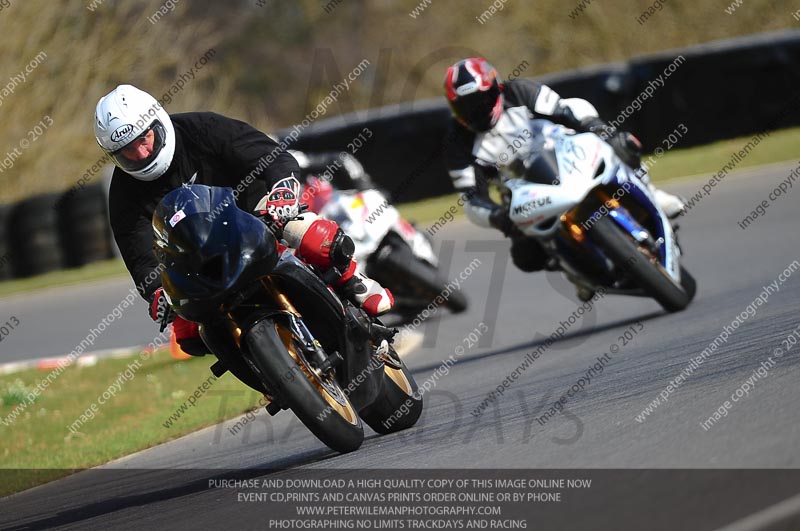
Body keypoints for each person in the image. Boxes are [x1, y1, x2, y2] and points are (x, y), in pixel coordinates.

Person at [94, 84, 394, 358]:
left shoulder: (203, 128)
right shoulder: (123, 194)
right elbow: (140, 257)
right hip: (196, 255)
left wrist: (283, 190)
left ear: (158, 122)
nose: (141, 153)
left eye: (144, 139)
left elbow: (271, 156)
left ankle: (350, 279)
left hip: (255, 212)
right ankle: (263, 368)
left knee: (309, 234)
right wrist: (157, 292)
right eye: (127, 152)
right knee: (187, 332)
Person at [443, 57, 685, 273]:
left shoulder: (518, 91)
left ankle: (650, 192)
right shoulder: (457, 142)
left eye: (480, 101)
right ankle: (573, 270)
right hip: (523, 191)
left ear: (495, 88)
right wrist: (498, 218)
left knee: (622, 145)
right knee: (526, 256)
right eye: (466, 107)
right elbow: (472, 198)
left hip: (564, 153)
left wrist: (597, 129)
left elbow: (566, 111)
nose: (476, 111)